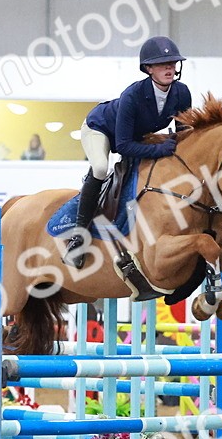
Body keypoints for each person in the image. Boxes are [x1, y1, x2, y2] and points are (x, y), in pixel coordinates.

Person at [64, 36, 192, 269]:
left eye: (172, 63)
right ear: (148, 68)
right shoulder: (132, 95)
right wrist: (158, 148)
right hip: (101, 128)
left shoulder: (182, 93)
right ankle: (78, 237)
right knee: (100, 168)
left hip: (134, 136)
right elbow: (123, 146)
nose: (169, 68)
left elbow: (184, 135)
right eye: (162, 64)